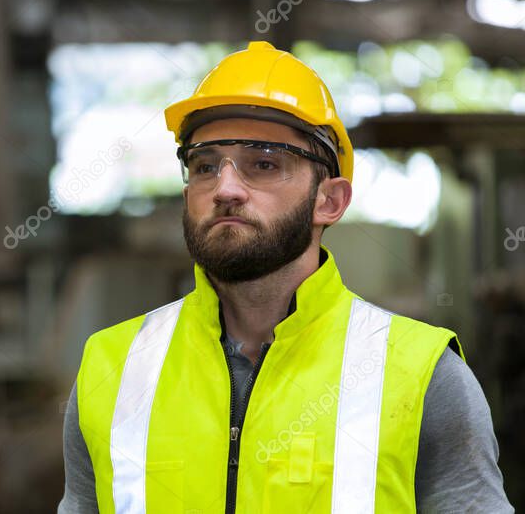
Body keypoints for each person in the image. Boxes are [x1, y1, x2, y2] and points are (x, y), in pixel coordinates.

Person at [58, 41, 513, 513]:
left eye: (265, 163)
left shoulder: (424, 377)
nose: (225, 188)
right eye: (205, 165)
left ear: (330, 201)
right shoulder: (111, 370)